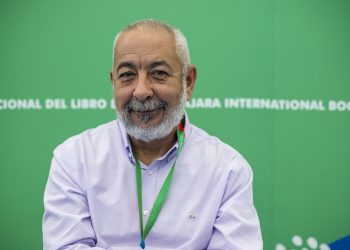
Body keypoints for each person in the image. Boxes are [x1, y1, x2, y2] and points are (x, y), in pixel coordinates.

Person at [43, 19, 263, 250]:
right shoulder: (74, 159)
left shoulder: (228, 171)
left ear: (188, 82)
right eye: (127, 75)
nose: (141, 91)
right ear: (113, 83)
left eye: (158, 73)